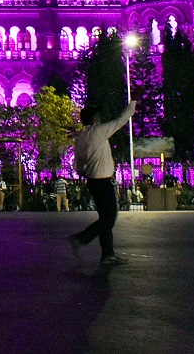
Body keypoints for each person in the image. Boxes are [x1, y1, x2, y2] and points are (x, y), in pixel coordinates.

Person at [68, 100, 137, 267]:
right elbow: (121, 120)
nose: (99, 116)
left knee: (105, 218)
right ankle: (81, 238)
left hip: (93, 181)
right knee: (110, 218)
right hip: (103, 181)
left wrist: (85, 171)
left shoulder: (81, 138)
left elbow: (78, 165)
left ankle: (107, 254)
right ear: (93, 118)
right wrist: (133, 102)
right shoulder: (99, 131)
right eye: (97, 114)